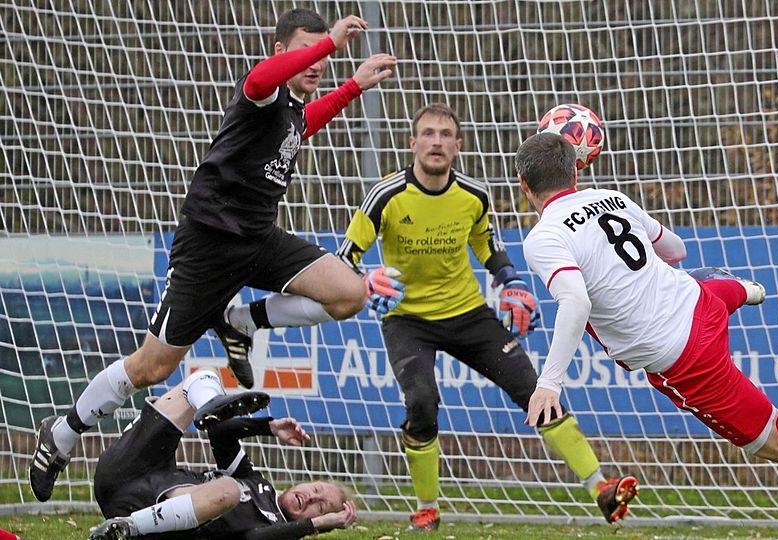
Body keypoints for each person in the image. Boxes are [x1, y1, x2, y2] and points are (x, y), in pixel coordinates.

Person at [30, 8, 397, 502]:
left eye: (319, 55)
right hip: (208, 247)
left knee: (349, 292)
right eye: (304, 52)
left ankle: (241, 321)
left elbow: (302, 125)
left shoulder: (289, 109)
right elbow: (267, 77)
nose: (315, 63)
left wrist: (351, 86)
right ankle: (62, 435)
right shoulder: (262, 89)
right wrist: (329, 41)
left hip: (259, 241)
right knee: (151, 369)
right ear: (280, 52)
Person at [513, 132, 778, 462]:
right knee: (701, 282)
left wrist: (548, 382)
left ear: (523, 184)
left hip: (682, 356)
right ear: (575, 171)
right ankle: (745, 289)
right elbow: (676, 252)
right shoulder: (611, 197)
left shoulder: (543, 237)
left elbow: (575, 302)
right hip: (699, 300)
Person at [333, 103, 638, 531]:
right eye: (428, 133)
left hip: (467, 313)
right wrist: (366, 282)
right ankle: (427, 508)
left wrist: (509, 281)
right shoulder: (385, 195)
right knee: (421, 403)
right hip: (407, 321)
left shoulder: (473, 196)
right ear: (412, 143)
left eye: (445, 134)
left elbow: (487, 246)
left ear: (458, 146)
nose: (436, 141)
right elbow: (345, 259)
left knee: (535, 390)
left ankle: (601, 489)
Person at [87, 369, 357, 539]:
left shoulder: (274, 528)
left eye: (319, 506)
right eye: (316, 488)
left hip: (144, 514)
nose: (310, 497)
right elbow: (220, 432)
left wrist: (315, 524)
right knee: (202, 379)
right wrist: (268, 427)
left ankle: (125, 529)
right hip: (125, 476)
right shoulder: (258, 483)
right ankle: (63, 433)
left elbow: (254, 538)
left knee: (228, 489)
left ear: (317, 522)